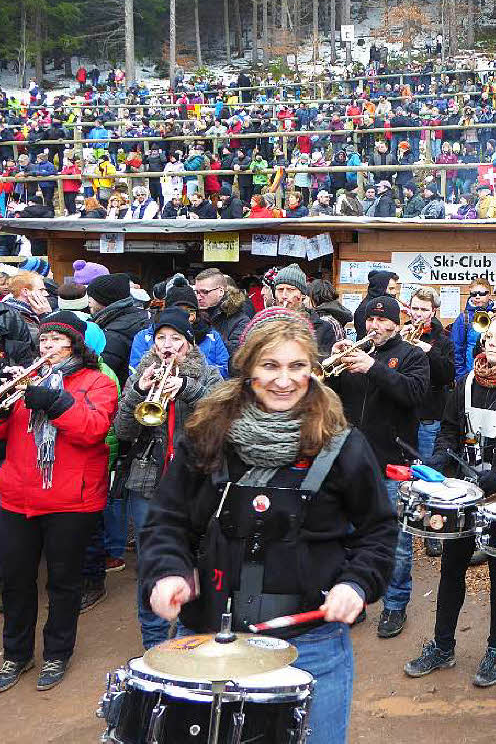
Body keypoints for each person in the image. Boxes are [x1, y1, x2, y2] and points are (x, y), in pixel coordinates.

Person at [140, 312, 397, 744]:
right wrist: (167, 571)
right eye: (270, 366)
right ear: (248, 369)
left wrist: (356, 583)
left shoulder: (343, 443)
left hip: (311, 644)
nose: (285, 380)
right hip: (207, 640)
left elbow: (378, 529)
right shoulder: (206, 436)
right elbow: (167, 520)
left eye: (297, 366)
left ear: (313, 371)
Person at [404, 314, 496, 686]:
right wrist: (440, 460)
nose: (492, 343)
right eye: (489, 337)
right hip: (465, 494)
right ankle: (442, 644)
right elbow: (450, 429)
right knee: (452, 566)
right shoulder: (466, 382)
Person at [0, 312, 118, 692]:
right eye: (44, 340)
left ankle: (57, 653)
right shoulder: (25, 381)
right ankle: (16, 654)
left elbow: (94, 430)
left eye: (55, 340)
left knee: (64, 583)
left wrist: (55, 401)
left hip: (70, 499)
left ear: (74, 345)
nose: (46, 346)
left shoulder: (98, 381)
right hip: (18, 495)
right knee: (15, 580)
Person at [113, 307, 222, 648]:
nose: (168, 345)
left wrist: (187, 389)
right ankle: (154, 643)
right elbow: (123, 430)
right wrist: (138, 393)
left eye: (176, 339)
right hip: (148, 481)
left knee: (200, 561)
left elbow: (220, 424)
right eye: (161, 338)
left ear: (189, 344)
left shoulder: (209, 375)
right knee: (152, 565)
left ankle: (194, 636)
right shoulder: (141, 373)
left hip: (196, 483)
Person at [327, 295, 429, 640]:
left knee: (397, 543)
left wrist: (374, 368)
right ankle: (354, 599)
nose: (375, 326)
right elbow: (328, 399)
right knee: (348, 537)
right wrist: (333, 364)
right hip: (351, 464)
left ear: (397, 324)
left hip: (393, 463)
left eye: (383, 321)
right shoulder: (351, 355)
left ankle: (395, 604)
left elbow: (413, 394)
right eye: (370, 320)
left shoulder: (413, 356)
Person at [405, 287, 456, 555]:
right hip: (405, 413)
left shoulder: (443, 340)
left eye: (424, 310)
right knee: (406, 471)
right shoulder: (401, 333)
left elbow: (449, 373)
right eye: (415, 308)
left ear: (433, 312)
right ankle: (410, 519)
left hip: (429, 414)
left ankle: (432, 529)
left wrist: (427, 350)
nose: (418, 314)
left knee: (429, 472)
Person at [87, 273, 150, 386]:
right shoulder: (140, 315)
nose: (89, 301)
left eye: (92, 297)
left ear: (105, 299)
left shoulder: (113, 334)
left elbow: (101, 376)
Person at [273, 264, 341, 357]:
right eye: (280, 290)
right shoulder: (264, 325)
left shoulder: (322, 328)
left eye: (291, 289)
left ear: (302, 295)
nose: (284, 295)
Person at [194, 267, 252, 357]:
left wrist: (207, 332)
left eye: (204, 292)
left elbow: (237, 355)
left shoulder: (241, 321)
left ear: (220, 292)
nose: (199, 297)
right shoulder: (193, 315)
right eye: (197, 292)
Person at [0, 271, 49, 365]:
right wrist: (45, 315)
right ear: (25, 292)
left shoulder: (29, 313)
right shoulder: (16, 315)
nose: (46, 294)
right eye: (41, 290)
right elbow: (39, 345)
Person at [451, 278, 492, 378]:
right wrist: (461, 377)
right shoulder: (463, 318)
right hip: (471, 374)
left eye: (482, 293)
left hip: (495, 373)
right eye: (474, 294)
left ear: (489, 295)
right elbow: (456, 350)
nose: (477, 297)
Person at [354, 269, 399, 339]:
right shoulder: (364, 309)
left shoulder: (387, 305)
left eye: (395, 288)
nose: (394, 292)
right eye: (391, 288)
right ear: (380, 289)